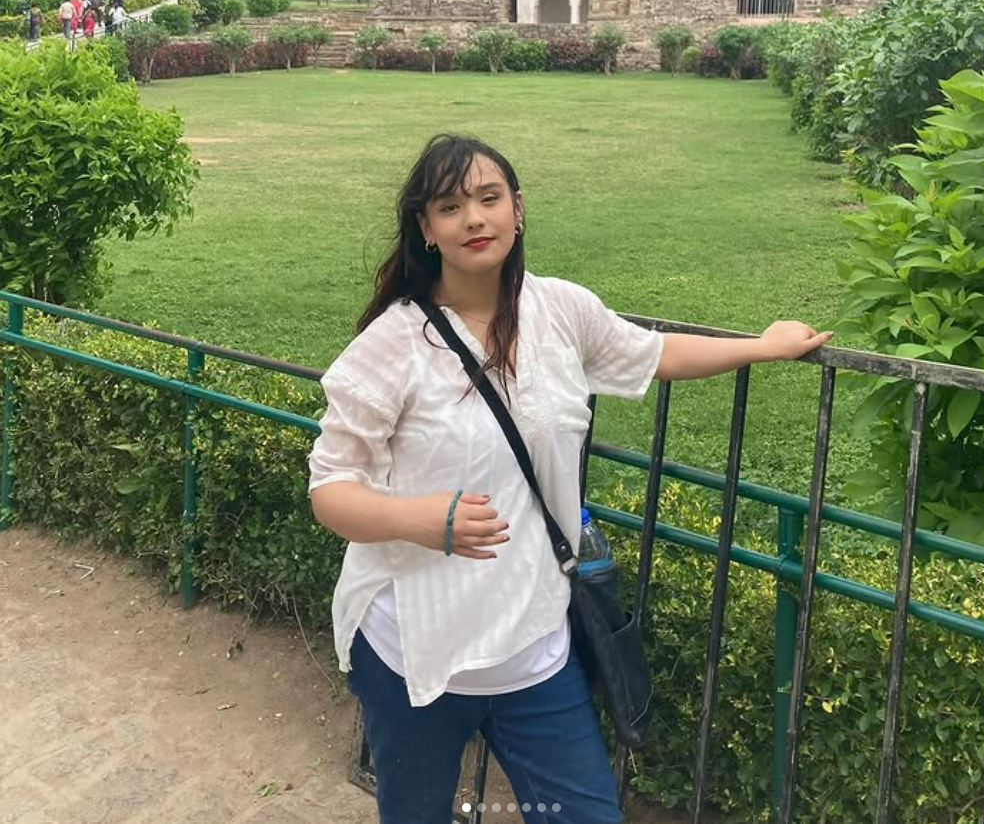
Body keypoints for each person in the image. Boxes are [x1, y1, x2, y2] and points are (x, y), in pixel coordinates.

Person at [307, 134, 832, 824]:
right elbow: (331, 489)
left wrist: (763, 347)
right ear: (426, 230)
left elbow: (653, 353)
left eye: (489, 198)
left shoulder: (560, 310)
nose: (474, 219)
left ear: (517, 210)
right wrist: (423, 521)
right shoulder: (394, 344)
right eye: (450, 206)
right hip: (416, 653)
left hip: (534, 648)